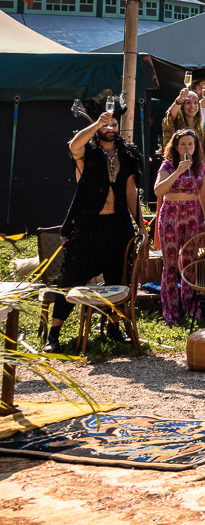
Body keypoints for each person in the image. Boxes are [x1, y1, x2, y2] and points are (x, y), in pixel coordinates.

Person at [49, 98, 143, 351]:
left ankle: (114, 327)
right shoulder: (87, 153)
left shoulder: (126, 155)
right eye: (105, 124)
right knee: (72, 275)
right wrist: (96, 124)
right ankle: (54, 333)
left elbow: (131, 193)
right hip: (88, 224)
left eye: (113, 123)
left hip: (119, 224)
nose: (110, 127)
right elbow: (73, 144)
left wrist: (141, 225)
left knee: (118, 276)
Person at [154, 128, 205, 326]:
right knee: (169, 265)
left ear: (196, 147)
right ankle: (171, 313)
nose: (188, 147)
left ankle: (191, 309)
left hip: (192, 216)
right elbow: (158, 190)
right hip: (170, 216)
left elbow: (204, 194)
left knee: (190, 265)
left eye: (191, 144)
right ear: (176, 147)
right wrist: (177, 171)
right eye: (184, 144)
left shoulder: (200, 166)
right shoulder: (167, 165)